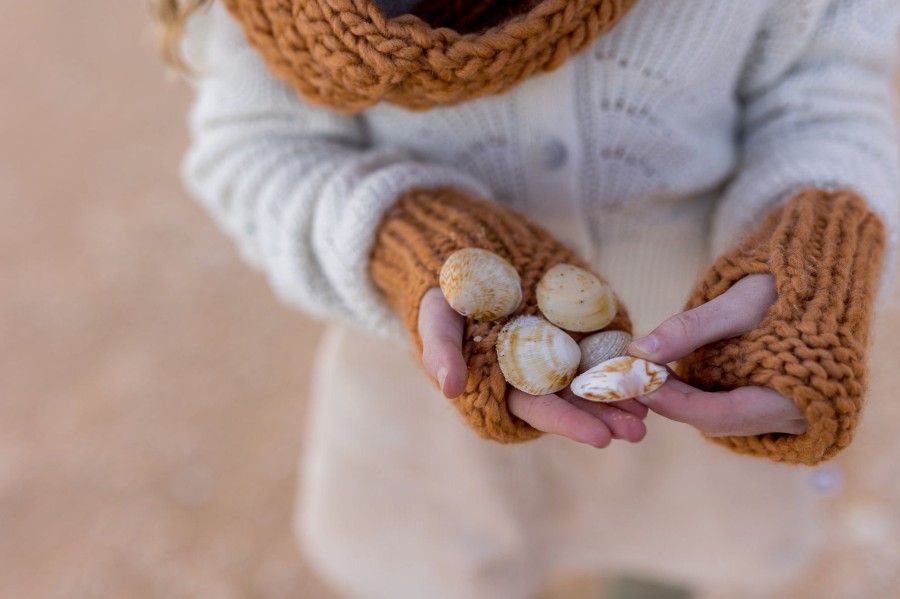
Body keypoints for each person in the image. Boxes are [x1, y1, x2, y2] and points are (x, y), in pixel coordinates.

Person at [156, 0, 900, 596]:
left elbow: (825, 95)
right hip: (429, 397)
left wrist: (817, 240)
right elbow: (253, 152)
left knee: (665, 561)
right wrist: (400, 231)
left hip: (684, 372)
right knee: (447, 568)